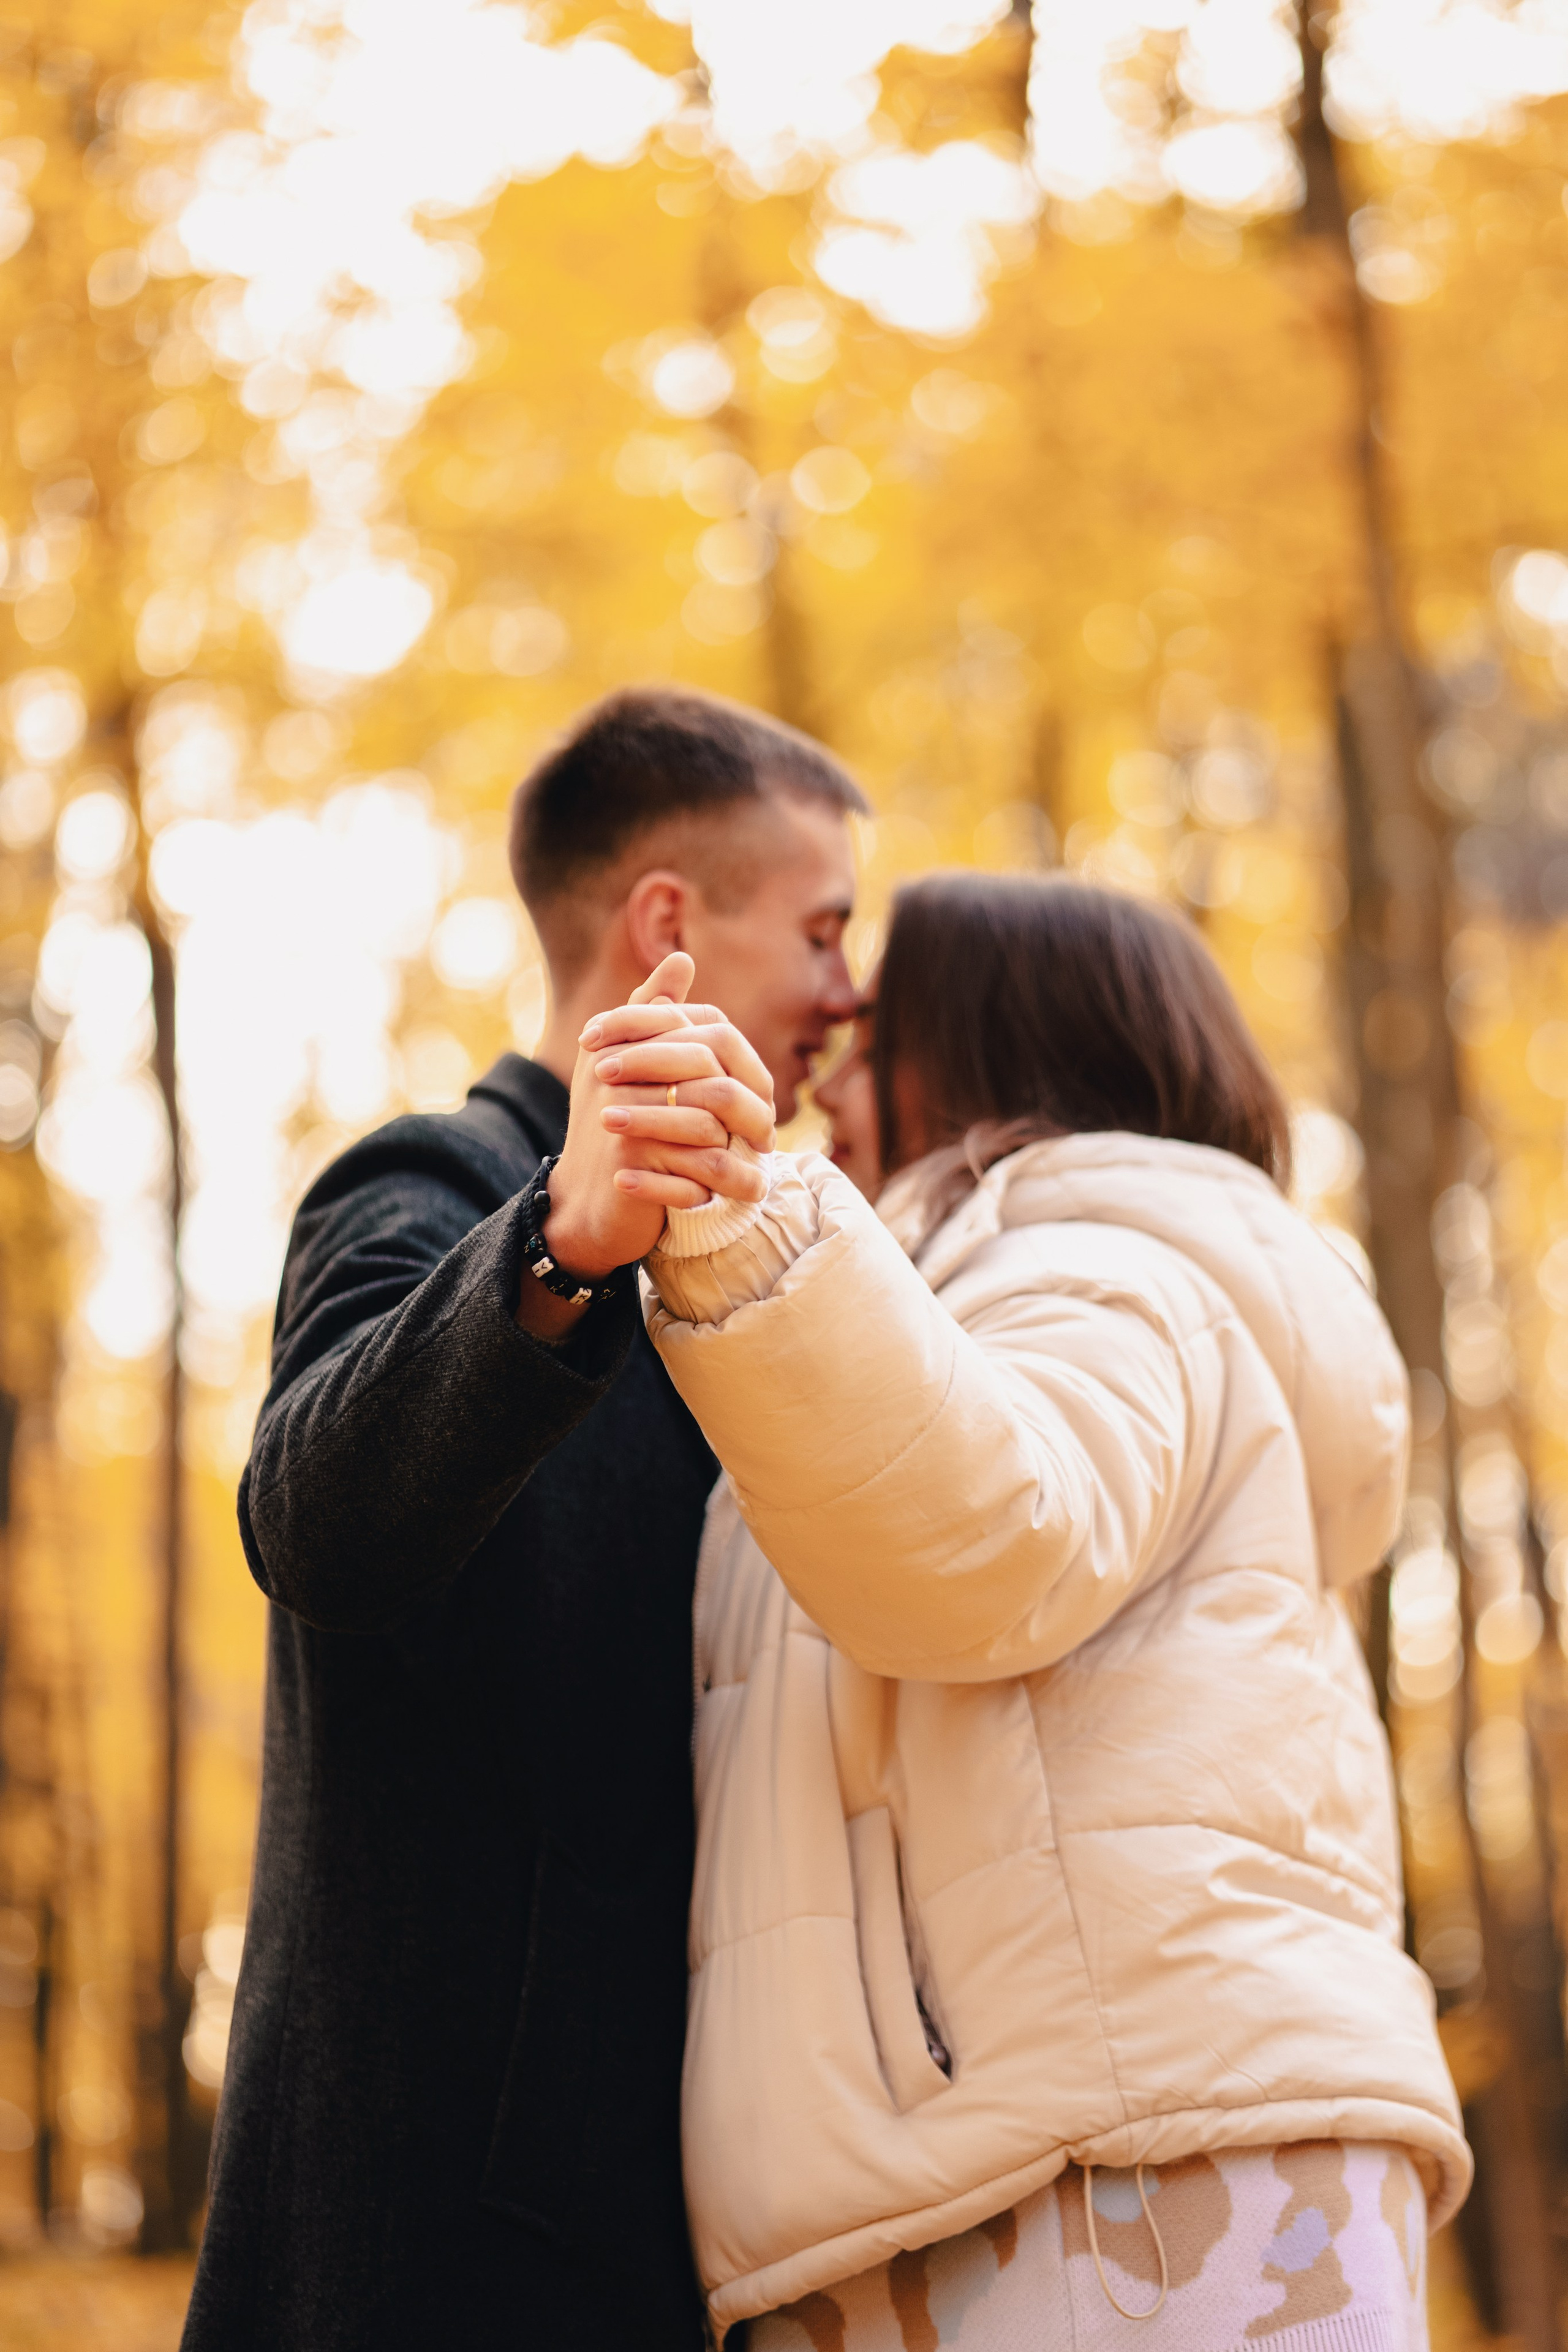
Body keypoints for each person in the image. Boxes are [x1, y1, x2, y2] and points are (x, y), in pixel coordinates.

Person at [597, 872, 1471, 2348]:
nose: (832, 1081)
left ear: (982, 1052)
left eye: (877, 1035)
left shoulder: (1086, 1269)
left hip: (1103, 2177)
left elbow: (984, 1547)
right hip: (1060, 2161)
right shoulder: (1016, 1285)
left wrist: (745, 1219)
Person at [180, 685, 864, 2352]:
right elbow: (315, 1524)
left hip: (664, 2240)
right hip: (421, 2263)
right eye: (827, 932)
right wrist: (555, 1247)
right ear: (667, 926)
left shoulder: (757, 1293)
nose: (852, 995)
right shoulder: (425, 1189)